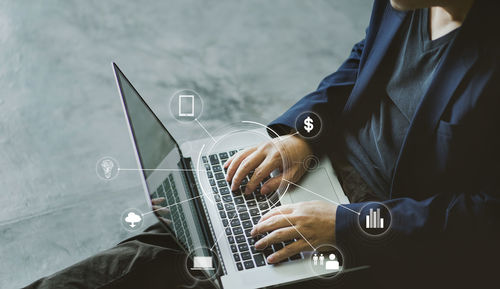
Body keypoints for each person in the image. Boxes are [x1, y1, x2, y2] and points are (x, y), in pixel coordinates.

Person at [25, 0, 500, 288]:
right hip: (321, 172)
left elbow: (484, 216)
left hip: (384, 226)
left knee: (204, 274)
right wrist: (301, 137)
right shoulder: (406, 6)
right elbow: (360, 65)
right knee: (174, 239)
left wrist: (345, 225)